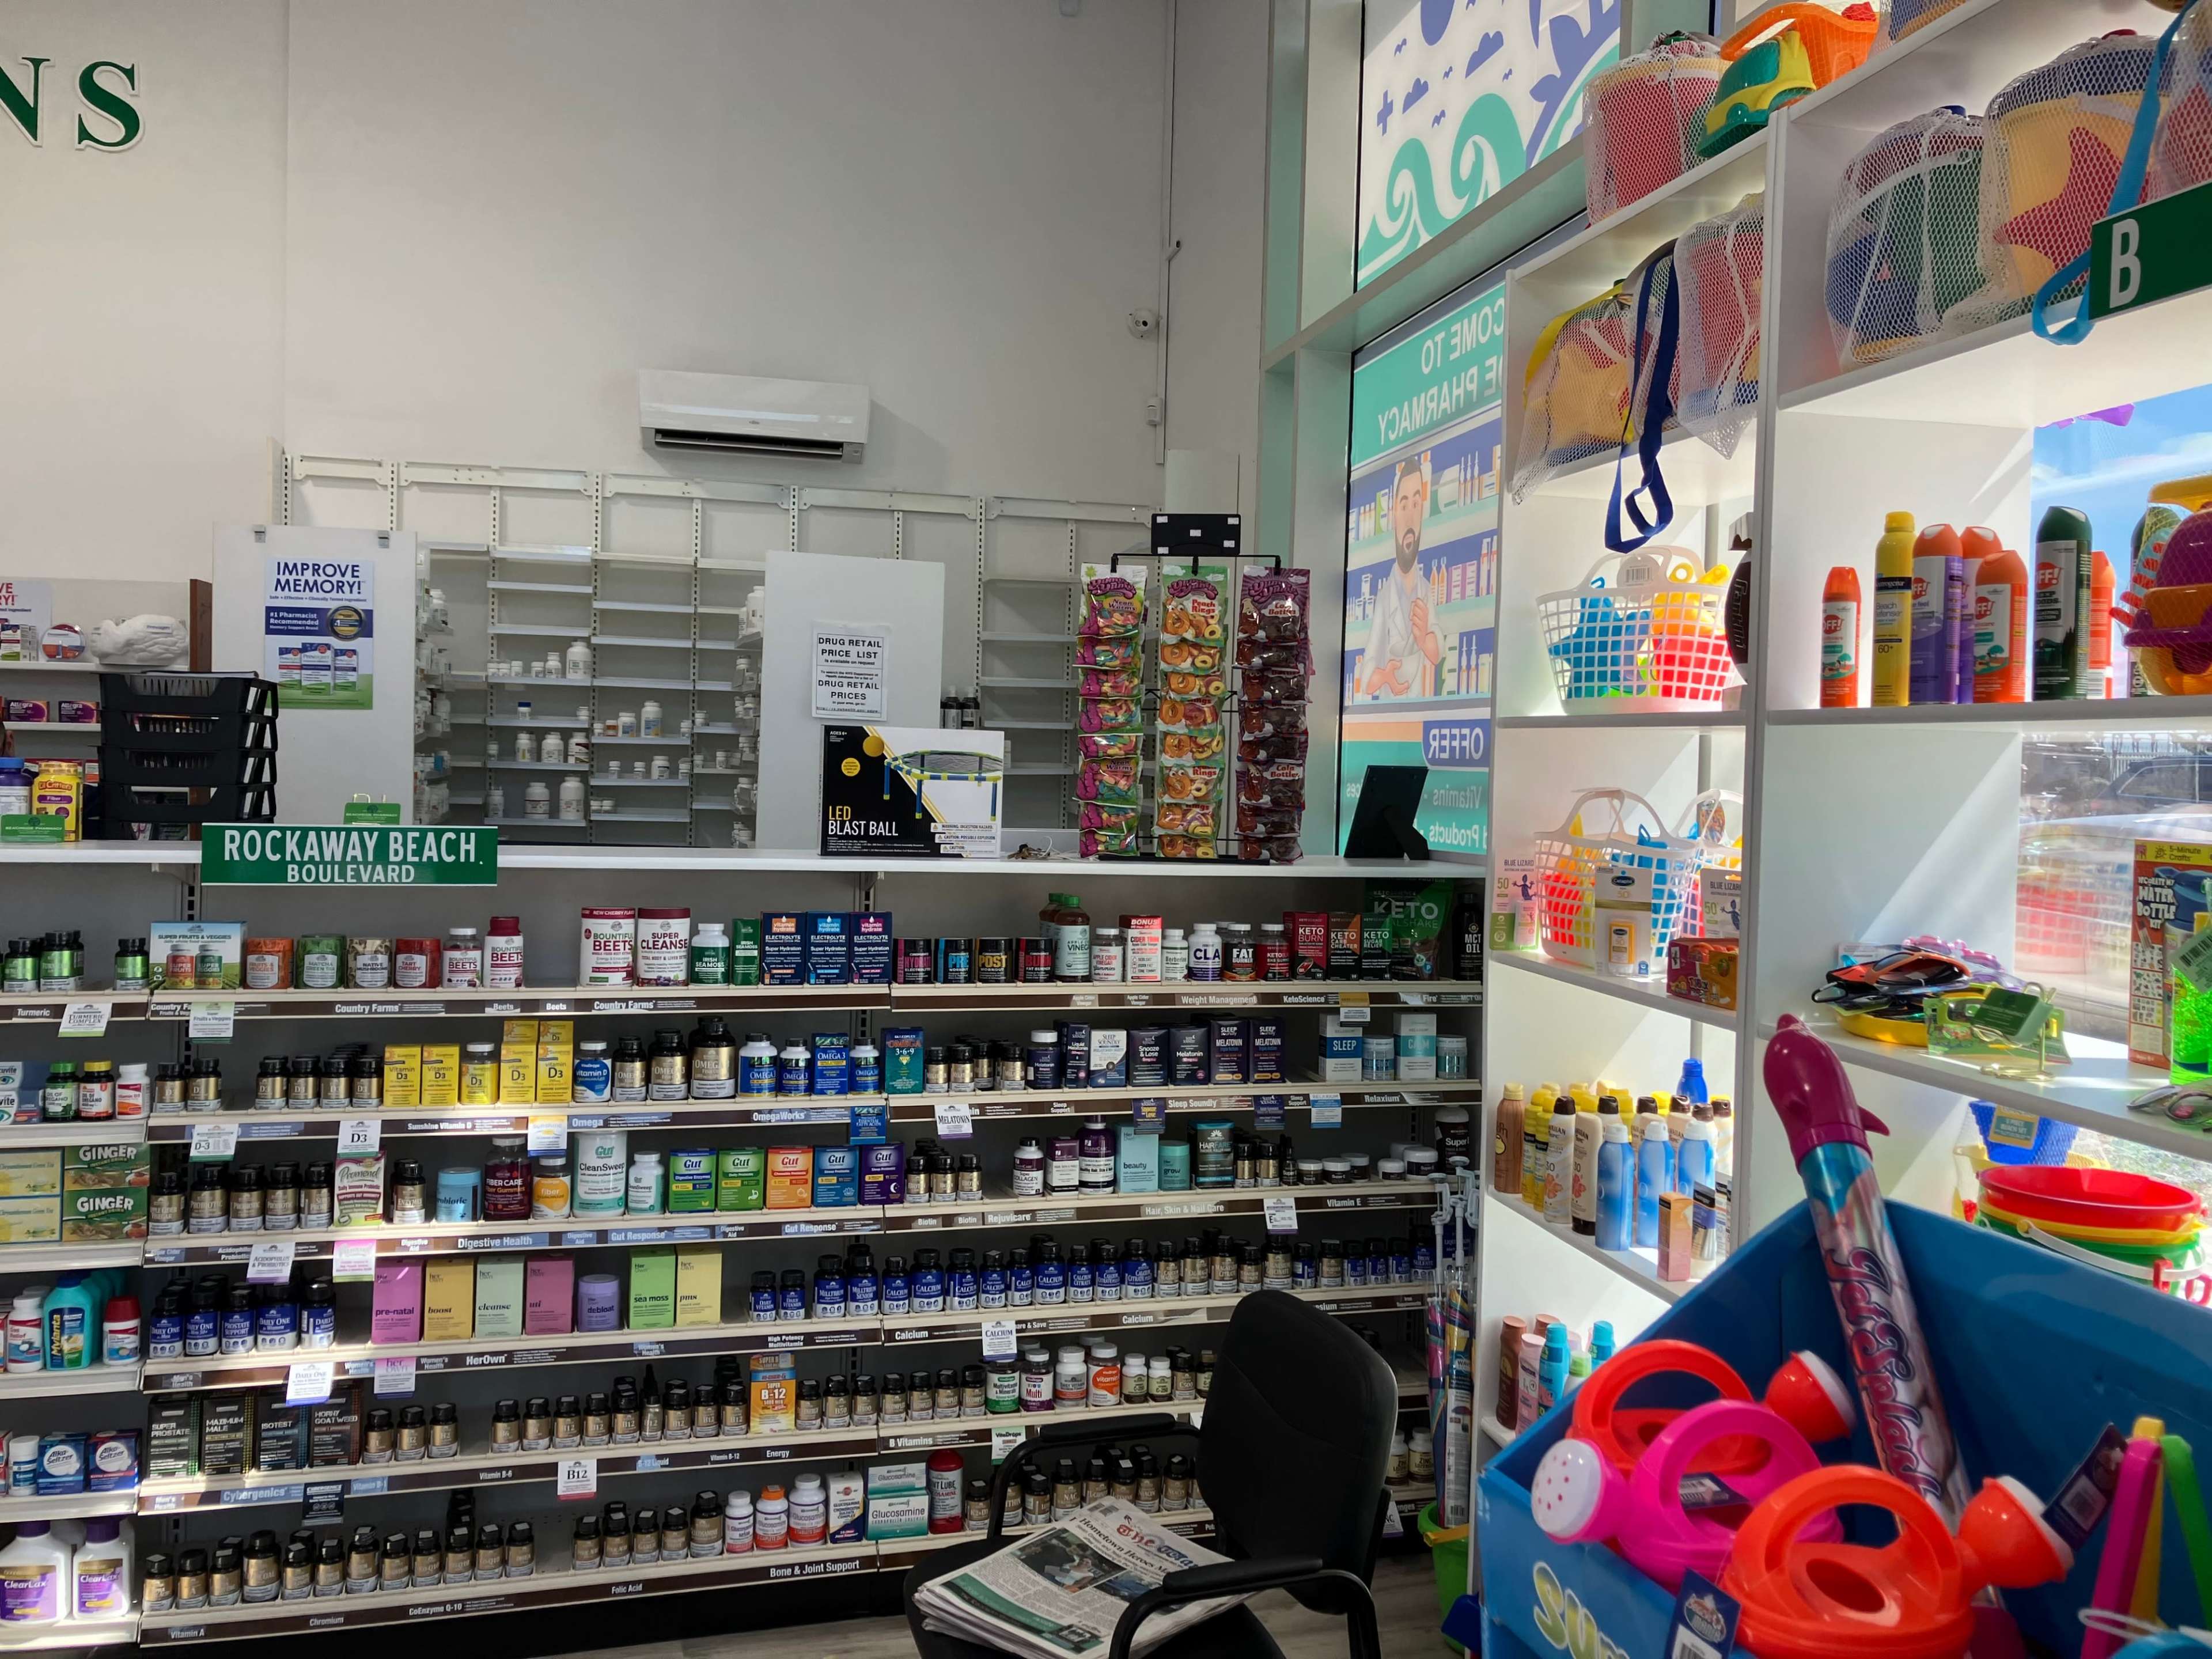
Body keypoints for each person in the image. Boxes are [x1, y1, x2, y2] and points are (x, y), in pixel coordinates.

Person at [1358, 457, 1442, 698]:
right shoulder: (1385, 598)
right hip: (1391, 716)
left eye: (1416, 505)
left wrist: (1425, 638)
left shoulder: (1426, 590)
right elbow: (1367, 674)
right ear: (1394, 515)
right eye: (1404, 506)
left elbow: (1437, 652)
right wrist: (1383, 676)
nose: (1410, 517)